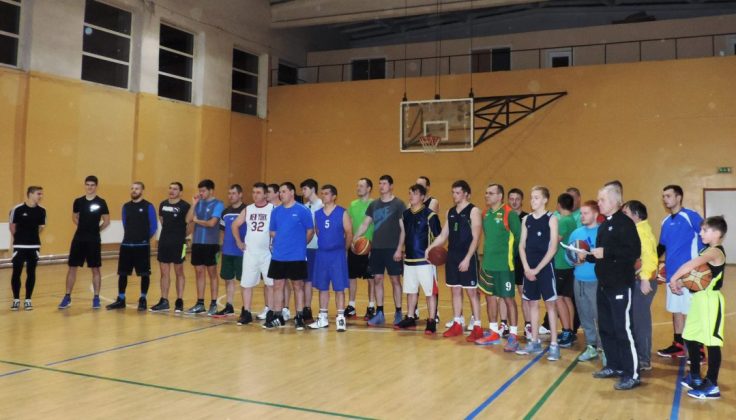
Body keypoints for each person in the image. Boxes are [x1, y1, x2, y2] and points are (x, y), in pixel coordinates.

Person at [589, 184, 641, 390]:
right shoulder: (604, 224)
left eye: (601, 200)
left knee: (623, 329)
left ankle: (632, 374)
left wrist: (606, 252)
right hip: (604, 285)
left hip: (620, 285)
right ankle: (614, 365)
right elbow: (603, 254)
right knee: (606, 328)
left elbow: (633, 252)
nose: (598, 203)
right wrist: (588, 256)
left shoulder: (625, 223)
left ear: (614, 201)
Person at [670, 216, 727, 400]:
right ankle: (695, 376)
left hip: (711, 300)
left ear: (716, 233)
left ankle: (711, 385)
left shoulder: (715, 252)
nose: (701, 233)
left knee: (712, 342)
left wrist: (674, 278)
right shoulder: (706, 250)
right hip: (699, 299)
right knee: (690, 336)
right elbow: (698, 277)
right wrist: (681, 283)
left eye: (704, 230)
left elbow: (690, 265)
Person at [427, 180, 484, 341]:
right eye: (453, 192)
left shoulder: (474, 211)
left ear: (466, 194)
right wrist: (429, 248)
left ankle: (477, 326)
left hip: (467, 256)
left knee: (471, 292)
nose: (454, 195)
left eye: (458, 192)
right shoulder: (450, 212)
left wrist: (467, 258)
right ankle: (457, 323)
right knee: (455, 290)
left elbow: (476, 238)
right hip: (452, 256)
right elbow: (443, 235)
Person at [657, 185, 704, 358]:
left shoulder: (691, 216)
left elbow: (706, 237)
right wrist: (652, 264)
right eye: (663, 196)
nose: (665, 199)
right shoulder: (665, 221)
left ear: (679, 197)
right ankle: (678, 345)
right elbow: (662, 246)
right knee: (676, 310)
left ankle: (698, 349)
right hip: (672, 276)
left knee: (692, 312)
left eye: (668, 196)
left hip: (690, 275)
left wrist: (704, 265)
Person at [515, 186, 561, 361]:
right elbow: (521, 245)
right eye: (531, 197)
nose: (532, 200)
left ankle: (554, 345)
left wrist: (537, 269)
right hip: (529, 268)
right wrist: (527, 268)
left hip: (545, 268)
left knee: (550, 305)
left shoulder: (552, 219)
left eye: (536, 197)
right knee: (532, 303)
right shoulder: (526, 219)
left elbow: (553, 247)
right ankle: (534, 341)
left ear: (544, 200)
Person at [354, 175, 406, 327]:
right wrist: (355, 238)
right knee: (377, 279)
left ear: (391, 186)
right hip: (376, 248)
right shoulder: (374, 204)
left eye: (384, 183)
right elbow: (365, 224)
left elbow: (403, 229)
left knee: (395, 280)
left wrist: (399, 249)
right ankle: (380, 313)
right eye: (380, 183)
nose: (381, 186)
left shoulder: (398, 204)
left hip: (392, 248)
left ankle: (398, 312)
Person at [476, 184, 521, 351]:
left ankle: (513, 335)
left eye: (491, 193)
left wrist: (510, 256)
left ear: (500, 196)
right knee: (489, 297)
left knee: (508, 299)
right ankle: (493, 332)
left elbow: (519, 238)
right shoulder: (485, 214)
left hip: (504, 266)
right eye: (486, 193)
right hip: (488, 264)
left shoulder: (509, 213)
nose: (487, 195)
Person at [264, 182, 314, 330]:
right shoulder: (276, 212)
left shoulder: (302, 210)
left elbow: (310, 230)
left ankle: (299, 316)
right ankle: (278, 316)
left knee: (298, 286)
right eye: (280, 192)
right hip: (279, 255)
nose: (281, 194)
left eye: (284, 191)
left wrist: (301, 244)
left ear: (292, 192)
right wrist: (282, 240)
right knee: (278, 285)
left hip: (296, 256)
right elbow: (272, 231)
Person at [395, 184, 442, 334]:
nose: (411, 196)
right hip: (409, 260)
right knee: (411, 291)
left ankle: (431, 320)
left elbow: (439, 237)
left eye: (414, 193)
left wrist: (430, 250)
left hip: (425, 261)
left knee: (430, 292)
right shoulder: (405, 214)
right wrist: (400, 249)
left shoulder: (430, 215)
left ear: (422, 197)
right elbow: (403, 234)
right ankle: (410, 317)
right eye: (410, 193)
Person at [58, 176, 110, 309]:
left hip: (93, 240)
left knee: (95, 269)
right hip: (79, 239)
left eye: (92, 185)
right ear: (85, 185)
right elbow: (74, 217)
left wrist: (96, 230)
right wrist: (82, 227)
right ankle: (67, 296)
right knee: (72, 267)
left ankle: (96, 298)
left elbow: (106, 221)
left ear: (96, 186)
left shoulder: (101, 202)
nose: (89, 187)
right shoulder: (78, 201)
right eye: (87, 184)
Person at [106, 182, 158, 311]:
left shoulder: (148, 206)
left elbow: (153, 226)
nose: (134, 191)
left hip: (142, 246)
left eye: (137, 188)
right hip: (126, 245)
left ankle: (142, 299)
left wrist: (144, 238)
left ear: (142, 190)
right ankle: (121, 299)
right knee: (122, 274)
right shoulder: (126, 207)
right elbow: (125, 224)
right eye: (132, 188)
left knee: (144, 274)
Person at [309, 185, 352, 331]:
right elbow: (318, 231)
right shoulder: (318, 213)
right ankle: (322, 318)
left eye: (326, 193)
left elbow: (349, 232)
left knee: (339, 288)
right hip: (322, 254)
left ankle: (340, 318)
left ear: (334, 196)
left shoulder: (342, 212)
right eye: (322, 193)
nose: (323, 196)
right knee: (322, 287)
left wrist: (344, 249)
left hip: (337, 254)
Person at [622, 200, 658, 371]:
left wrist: (644, 279)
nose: (623, 217)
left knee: (640, 321)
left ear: (636, 215)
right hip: (637, 280)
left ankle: (644, 359)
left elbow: (649, 258)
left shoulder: (641, 231)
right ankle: (638, 355)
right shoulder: (638, 229)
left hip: (643, 281)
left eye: (626, 213)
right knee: (635, 320)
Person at [232, 183, 274, 325]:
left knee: (270, 284)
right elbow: (235, 225)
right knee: (246, 284)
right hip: (250, 253)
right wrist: (238, 241)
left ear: (265, 194)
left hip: (267, 253)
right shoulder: (248, 209)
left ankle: (271, 312)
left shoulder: (273, 209)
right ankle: (247, 312)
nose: (255, 195)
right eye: (253, 192)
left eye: (258, 192)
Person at [151, 182, 192, 312]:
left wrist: (180, 236)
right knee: (164, 272)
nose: (172, 191)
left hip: (179, 244)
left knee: (179, 271)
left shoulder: (185, 206)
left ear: (180, 192)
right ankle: (164, 300)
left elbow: (190, 225)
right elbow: (162, 221)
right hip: (164, 242)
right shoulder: (163, 204)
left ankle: (179, 301)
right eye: (170, 188)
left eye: (175, 189)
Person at [567, 200, 600, 362]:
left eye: (586, 213)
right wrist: (574, 261)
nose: (582, 216)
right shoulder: (576, 233)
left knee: (600, 316)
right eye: (581, 213)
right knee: (585, 316)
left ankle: (604, 348)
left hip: (596, 281)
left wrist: (588, 256)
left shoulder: (602, 232)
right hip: (578, 280)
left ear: (595, 214)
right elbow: (568, 256)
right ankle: (591, 346)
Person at [186, 179, 225, 315]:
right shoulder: (198, 203)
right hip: (197, 243)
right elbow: (188, 219)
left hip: (211, 244)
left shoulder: (218, 204)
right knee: (199, 272)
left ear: (211, 191)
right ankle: (200, 303)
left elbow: (212, 223)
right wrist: (193, 204)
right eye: (200, 191)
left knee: (212, 273)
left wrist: (197, 220)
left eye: (203, 191)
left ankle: (213, 304)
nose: (201, 193)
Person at [9, 186, 46, 311]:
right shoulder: (17, 209)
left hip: (34, 246)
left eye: (41, 194)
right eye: (38, 194)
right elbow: (12, 226)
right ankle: (16, 299)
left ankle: (28, 300)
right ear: (30, 194)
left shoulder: (42, 211)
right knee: (16, 272)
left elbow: (41, 227)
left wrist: (32, 238)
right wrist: (19, 238)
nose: (40, 196)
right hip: (19, 246)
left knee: (31, 272)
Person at [214, 184, 247, 317]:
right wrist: (224, 245)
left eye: (233, 193)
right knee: (228, 279)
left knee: (244, 281)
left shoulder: (247, 210)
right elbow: (222, 231)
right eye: (229, 193)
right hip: (227, 251)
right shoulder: (225, 212)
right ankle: (229, 306)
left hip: (242, 252)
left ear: (240, 194)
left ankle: (246, 308)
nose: (230, 196)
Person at [255, 183, 286, 321]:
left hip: (280, 250)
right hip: (265, 250)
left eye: (269, 192)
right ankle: (268, 307)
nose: (266, 194)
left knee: (283, 282)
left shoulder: (282, 209)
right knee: (268, 281)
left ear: (276, 193)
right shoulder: (266, 209)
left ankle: (284, 308)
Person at [346, 178, 375, 320]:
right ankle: (351, 306)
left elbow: (375, 225)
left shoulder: (374, 204)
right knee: (351, 276)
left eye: (362, 186)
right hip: (354, 245)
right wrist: (350, 241)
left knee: (371, 278)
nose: (358, 188)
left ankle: (371, 306)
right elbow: (349, 224)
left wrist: (373, 245)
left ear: (369, 188)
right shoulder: (352, 204)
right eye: (358, 185)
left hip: (369, 246)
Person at [554, 193, 578, 348]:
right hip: (568, 265)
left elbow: (555, 240)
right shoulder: (571, 220)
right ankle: (571, 330)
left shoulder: (564, 221)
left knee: (559, 298)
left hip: (561, 264)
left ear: (559, 205)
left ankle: (567, 331)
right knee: (567, 298)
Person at [507, 187, 531, 339]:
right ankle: (505, 324)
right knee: (505, 294)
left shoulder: (527, 218)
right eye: (511, 199)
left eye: (517, 199)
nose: (514, 202)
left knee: (524, 294)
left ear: (522, 200)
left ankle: (528, 325)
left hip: (522, 260)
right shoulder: (505, 217)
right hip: (507, 260)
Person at [416, 175, 440, 322]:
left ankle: (435, 313)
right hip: (415, 248)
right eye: (416, 184)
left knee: (431, 284)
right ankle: (414, 311)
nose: (418, 187)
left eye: (422, 185)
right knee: (414, 283)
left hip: (428, 249)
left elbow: (423, 216)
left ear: (428, 187)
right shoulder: (412, 202)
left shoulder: (433, 201)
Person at [301, 178, 323, 322]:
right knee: (305, 280)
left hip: (317, 248)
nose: (303, 192)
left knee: (317, 281)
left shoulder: (322, 205)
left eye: (305, 189)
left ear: (313, 189)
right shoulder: (304, 207)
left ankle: (319, 311)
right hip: (305, 248)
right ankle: (305, 308)